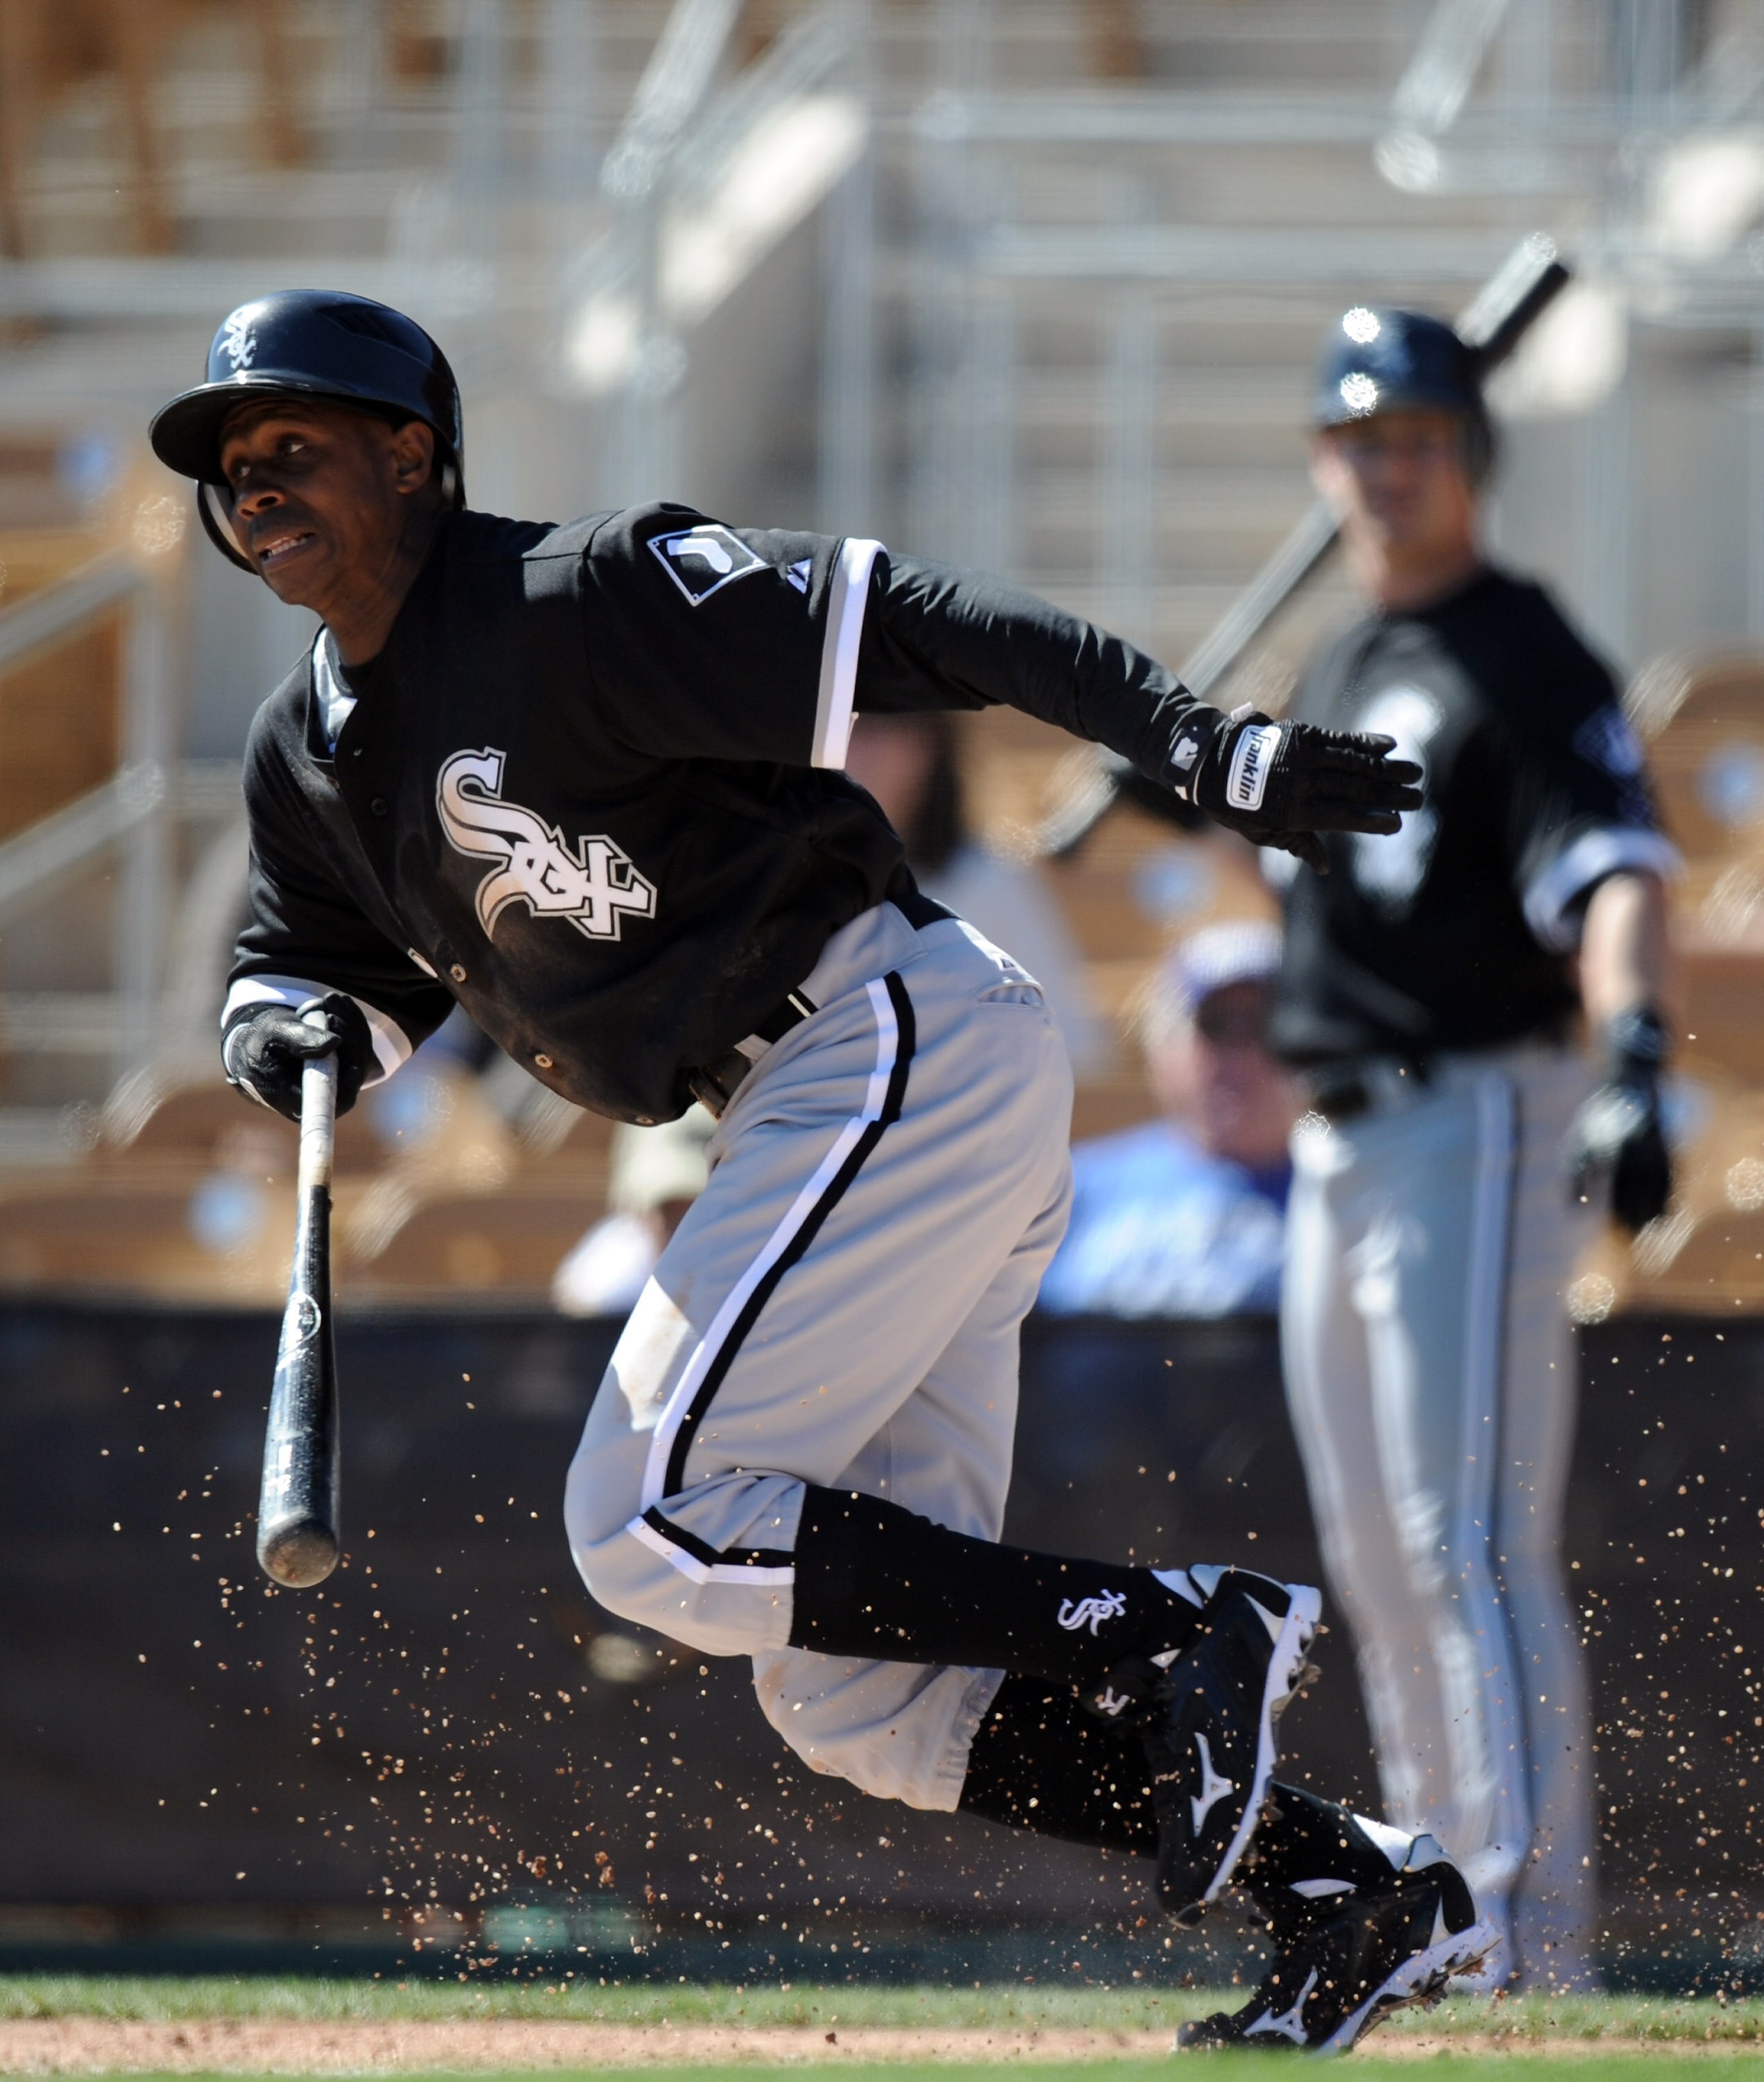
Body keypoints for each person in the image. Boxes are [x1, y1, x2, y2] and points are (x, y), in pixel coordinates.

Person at [151, 289, 1490, 2051]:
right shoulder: (306, 752)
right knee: (865, 1698)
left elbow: (917, 617)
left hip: (879, 1035)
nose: (255, 484)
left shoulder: (574, 595)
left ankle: (1174, 1629)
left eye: (293, 447)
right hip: (823, 1095)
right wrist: (288, 1028)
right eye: (233, 465)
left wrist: (1198, 739)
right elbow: (328, 969)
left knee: (647, 1522)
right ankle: (1357, 1885)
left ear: (411, 453)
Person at [1271, 305, 1679, 1992]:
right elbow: (1347, 923)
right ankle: (1440, 1917)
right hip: (1334, 1138)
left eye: (1417, 437)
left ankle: (1526, 1937)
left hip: (1476, 1112)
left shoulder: (1523, 651)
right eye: (1362, 438)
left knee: (1469, 1544)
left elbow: (1619, 863)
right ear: (1326, 461)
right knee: (1378, 1561)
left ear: (1469, 459)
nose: (1387, 465)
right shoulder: (1344, 662)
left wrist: (1635, 1047)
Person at [1039, 918, 1298, 1318]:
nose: (1240, 1058)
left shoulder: (1355, 1193)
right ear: (1161, 1045)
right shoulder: (1067, 1191)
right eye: (1215, 1026)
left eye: (1262, 1026)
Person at [843, 710, 1110, 1074]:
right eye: (845, 728)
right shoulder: (771, 882)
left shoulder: (990, 882)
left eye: (882, 728)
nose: (857, 753)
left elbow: (1067, 1050)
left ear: (932, 746)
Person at [552, 1108, 715, 1317]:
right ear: (636, 1214)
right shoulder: (607, 1286)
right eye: (673, 1216)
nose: (687, 1229)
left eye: (702, 1211)